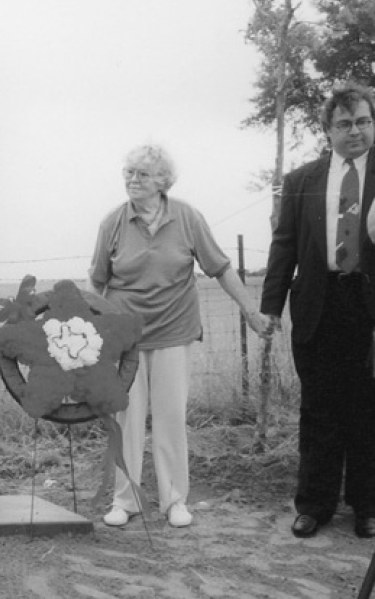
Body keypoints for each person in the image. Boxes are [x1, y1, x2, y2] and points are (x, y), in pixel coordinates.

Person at [88, 143, 272, 528]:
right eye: (129, 173)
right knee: (127, 419)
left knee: (171, 417)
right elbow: (98, 283)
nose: (132, 180)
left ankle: (174, 500)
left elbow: (220, 268)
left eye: (141, 174)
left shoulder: (187, 217)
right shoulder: (113, 223)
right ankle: (126, 500)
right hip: (126, 337)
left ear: (162, 181)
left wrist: (250, 312)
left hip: (174, 331)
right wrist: (94, 339)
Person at [262, 83, 375, 540]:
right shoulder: (302, 180)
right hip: (317, 305)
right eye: (345, 124)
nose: (356, 131)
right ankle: (314, 505)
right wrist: (271, 305)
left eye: (364, 121)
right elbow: (284, 244)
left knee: (368, 410)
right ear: (327, 129)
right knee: (319, 409)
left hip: (368, 307)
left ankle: (367, 507)